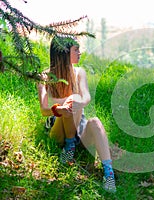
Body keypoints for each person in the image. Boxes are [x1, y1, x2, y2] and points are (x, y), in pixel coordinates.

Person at [37, 35, 116, 193]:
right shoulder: (44, 77)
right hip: (57, 129)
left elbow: (86, 96)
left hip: (79, 130)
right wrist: (58, 109)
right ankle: (68, 147)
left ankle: (109, 174)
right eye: (76, 49)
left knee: (94, 121)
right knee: (72, 100)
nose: (80, 52)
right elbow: (44, 109)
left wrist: (79, 102)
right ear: (64, 52)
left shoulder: (79, 72)